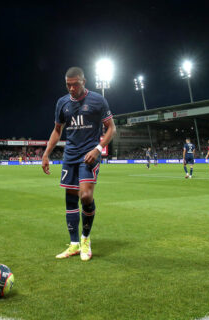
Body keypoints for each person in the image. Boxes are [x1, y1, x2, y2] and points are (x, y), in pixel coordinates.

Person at [42, 66, 116, 261]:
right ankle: (74, 244)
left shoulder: (98, 100)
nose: (71, 89)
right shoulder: (62, 103)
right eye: (68, 85)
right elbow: (57, 130)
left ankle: (85, 239)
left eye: (75, 85)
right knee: (70, 198)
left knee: (85, 196)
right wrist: (46, 153)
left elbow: (111, 129)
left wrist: (98, 149)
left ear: (84, 81)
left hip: (89, 154)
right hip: (70, 155)